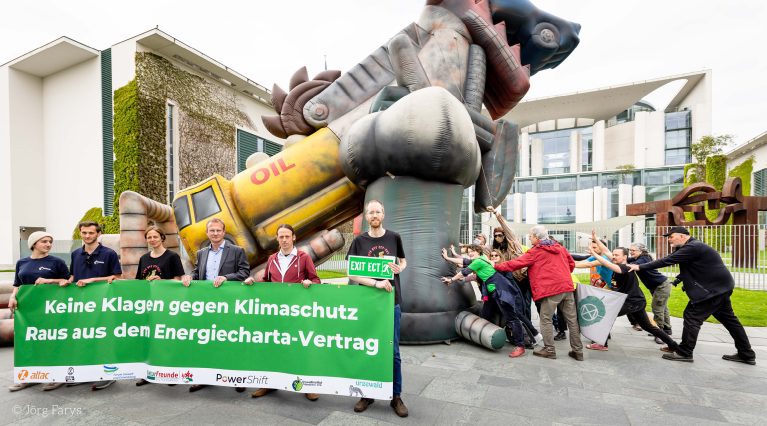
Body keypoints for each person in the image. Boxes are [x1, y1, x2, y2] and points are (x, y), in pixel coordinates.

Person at [628, 226, 756, 365]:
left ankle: (685, 352)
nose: (669, 239)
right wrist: (678, 279)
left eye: (671, 236)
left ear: (682, 236)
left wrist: (639, 267)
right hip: (720, 288)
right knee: (730, 321)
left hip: (712, 291)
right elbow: (690, 267)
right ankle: (746, 354)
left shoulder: (693, 247)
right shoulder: (689, 248)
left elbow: (667, 260)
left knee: (692, 317)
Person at [346, 200, 408, 418]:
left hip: (392, 301)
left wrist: (399, 267)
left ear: (383, 214)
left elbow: (403, 261)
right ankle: (367, 393)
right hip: (367, 301)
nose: (374, 214)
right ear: (366, 215)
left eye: (378, 211)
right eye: (371, 211)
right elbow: (352, 273)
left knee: (393, 351)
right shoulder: (359, 241)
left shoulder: (394, 237)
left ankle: (396, 395)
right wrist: (375, 283)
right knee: (367, 346)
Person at [246, 224, 321, 401]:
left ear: (293, 237)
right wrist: (253, 283)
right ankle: (270, 383)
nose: (284, 240)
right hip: (276, 313)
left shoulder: (303, 257)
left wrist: (310, 284)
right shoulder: (272, 259)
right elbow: (266, 281)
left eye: (287, 236)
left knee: (300, 348)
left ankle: (306, 385)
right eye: (281, 237)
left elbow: (316, 279)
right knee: (273, 348)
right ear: (277, 239)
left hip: (297, 312)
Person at [495, 225, 584, 361]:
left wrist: (496, 266)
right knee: (572, 320)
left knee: (545, 319)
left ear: (536, 237)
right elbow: (571, 263)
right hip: (567, 287)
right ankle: (578, 351)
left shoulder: (536, 251)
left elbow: (516, 263)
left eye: (530, 236)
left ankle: (549, 350)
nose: (530, 238)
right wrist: (563, 276)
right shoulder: (559, 247)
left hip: (550, 290)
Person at [181, 218, 250, 392]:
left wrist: (227, 278)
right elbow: (198, 272)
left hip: (228, 304)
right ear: (207, 233)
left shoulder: (237, 251)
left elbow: (244, 272)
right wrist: (190, 276)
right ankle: (205, 377)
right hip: (207, 305)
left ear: (224, 232)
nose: (215, 233)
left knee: (231, 340)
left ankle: (237, 378)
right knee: (206, 340)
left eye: (218, 230)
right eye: (212, 231)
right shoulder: (202, 253)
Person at [442, 245, 532, 358]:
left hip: (500, 290)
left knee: (512, 318)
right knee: (486, 313)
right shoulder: (481, 259)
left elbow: (464, 272)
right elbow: (463, 260)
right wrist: (448, 257)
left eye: (472, 251)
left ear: (478, 252)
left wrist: (451, 280)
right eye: (469, 252)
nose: (470, 253)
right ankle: (485, 336)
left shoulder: (479, 261)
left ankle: (521, 345)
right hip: (493, 292)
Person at [64, 221, 122, 391]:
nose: (87, 236)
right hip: (81, 306)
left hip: (103, 305)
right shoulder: (75, 254)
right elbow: (73, 276)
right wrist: (65, 281)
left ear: (98, 234)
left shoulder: (109, 254)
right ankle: (84, 374)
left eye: (91, 233)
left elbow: (117, 277)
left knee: (103, 340)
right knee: (82, 339)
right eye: (84, 233)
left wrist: (93, 280)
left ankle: (108, 375)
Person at [8, 231, 69, 392]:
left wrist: (50, 280)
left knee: (51, 342)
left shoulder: (57, 262)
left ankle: (56, 376)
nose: (48, 244)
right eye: (44, 241)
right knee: (27, 342)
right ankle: (28, 377)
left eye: (50, 241)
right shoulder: (21, 262)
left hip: (51, 309)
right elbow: (17, 284)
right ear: (34, 244)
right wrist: (13, 297)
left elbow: (68, 281)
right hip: (27, 310)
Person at [585, 246, 678, 352]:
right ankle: (673, 345)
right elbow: (606, 252)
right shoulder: (619, 264)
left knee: (605, 315)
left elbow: (607, 263)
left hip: (633, 302)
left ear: (624, 257)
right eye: (613, 254)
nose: (614, 257)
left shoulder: (625, 267)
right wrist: (596, 240)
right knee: (647, 326)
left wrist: (595, 254)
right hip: (636, 301)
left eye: (616, 255)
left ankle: (602, 343)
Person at [134, 226, 185, 387]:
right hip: (149, 305)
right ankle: (148, 373)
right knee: (149, 339)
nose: (152, 240)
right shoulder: (144, 258)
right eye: (149, 237)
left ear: (162, 238)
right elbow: (139, 282)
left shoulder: (172, 257)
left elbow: (179, 280)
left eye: (155, 236)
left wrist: (161, 282)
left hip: (167, 304)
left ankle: (170, 372)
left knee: (167, 339)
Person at [629, 242, 674, 341]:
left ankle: (659, 333)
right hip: (657, 286)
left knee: (657, 308)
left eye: (633, 250)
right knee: (663, 308)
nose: (631, 252)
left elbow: (629, 265)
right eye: (630, 250)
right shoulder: (637, 258)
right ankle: (667, 330)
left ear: (641, 251)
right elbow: (625, 260)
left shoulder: (644, 258)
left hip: (661, 285)